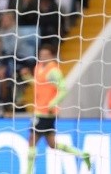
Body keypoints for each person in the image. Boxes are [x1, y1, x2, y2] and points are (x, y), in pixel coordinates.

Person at [20, 44, 91, 174]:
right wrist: (27, 78)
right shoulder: (39, 67)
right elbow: (39, 85)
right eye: (41, 54)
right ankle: (82, 154)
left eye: (46, 55)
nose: (43, 57)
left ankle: (28, 172)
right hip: (41, 110)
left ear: (52, 56)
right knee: (52, 144)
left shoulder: (54, 71)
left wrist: (53, 103)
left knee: (32, 140)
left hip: (45, 112)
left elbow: (63, 89)